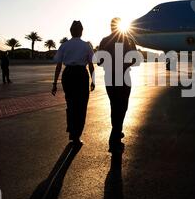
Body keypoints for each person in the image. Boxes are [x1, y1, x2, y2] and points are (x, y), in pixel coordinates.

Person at [51, 21, 95, 144]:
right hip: (81, 75)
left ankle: (71, 131)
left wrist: (54, 83)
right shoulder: (86, 46)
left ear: (71, 31)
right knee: (81, 106)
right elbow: (91, 65)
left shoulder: (64, 45)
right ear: (81, 31)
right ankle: (76, 135)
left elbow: (58, 66)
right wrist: (93, 80)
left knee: (71, 104)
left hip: (68, 75)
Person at [98, 17, 137, 153]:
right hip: (124, 76)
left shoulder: (104, 41)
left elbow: (99, 61)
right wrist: (124, 65)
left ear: (110, 27)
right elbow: (135, 59)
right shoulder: (129, 40)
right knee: (123, 106)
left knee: (114, 105)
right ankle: (115, 135)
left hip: (110, 77)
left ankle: (117, 130)